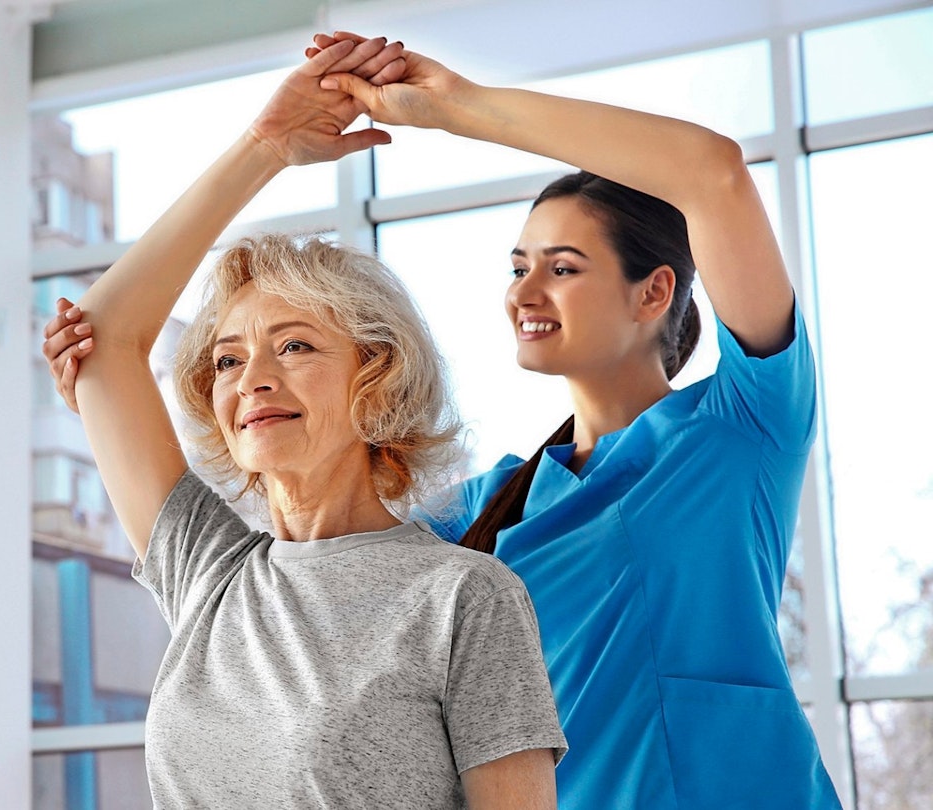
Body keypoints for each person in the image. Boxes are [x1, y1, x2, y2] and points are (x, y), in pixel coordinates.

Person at [46, 36, 841, 808]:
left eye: (562, 268)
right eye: (517, 267)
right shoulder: (479, 514)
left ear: (654, 291)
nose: (524, 293)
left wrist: (458, 108)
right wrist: (266, 146)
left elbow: (713, 174)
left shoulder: (741, 432)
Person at [53, 36, 567, 809]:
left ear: (377, 373)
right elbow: (101, 338)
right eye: (228, 360)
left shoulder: (463, 596)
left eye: (294, 346)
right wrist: (265, 147)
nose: (253, 378)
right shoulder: (208, 570)